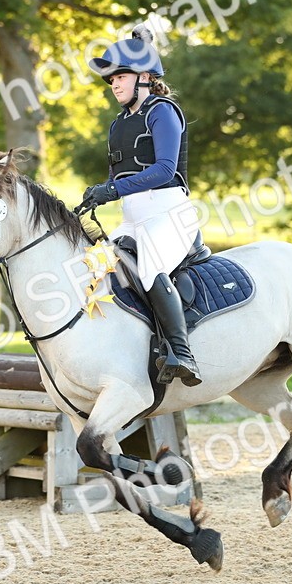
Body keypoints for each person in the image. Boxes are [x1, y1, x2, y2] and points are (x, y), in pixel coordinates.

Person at [82, 25, 202, 387]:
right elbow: (118, 176)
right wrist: (98, 193)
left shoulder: (162, 112)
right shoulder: (120, 122)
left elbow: (165, 169)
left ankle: (183, 353)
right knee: (95, 266)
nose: (114, 85)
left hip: (169, 213)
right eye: (112, 79)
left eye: (120, 76)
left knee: (149, 267)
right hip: (133, 217)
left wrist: (113, 189)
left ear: (145, 78)